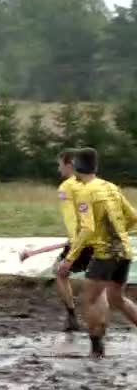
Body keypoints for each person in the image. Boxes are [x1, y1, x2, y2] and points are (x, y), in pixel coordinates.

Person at [56, 147, 137, 358]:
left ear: (77, 167)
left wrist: (70, 258)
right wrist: (118, 233)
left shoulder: (85, 192)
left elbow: (87, 228)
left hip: (105, 253)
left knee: (91, 299)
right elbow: (133, 217)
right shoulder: (111, 187)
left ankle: (96, 349)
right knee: (117, 299)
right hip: (125, 251)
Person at [53, 149, 91, 332]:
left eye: (60, 164)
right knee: (99, 280)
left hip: (81, 238)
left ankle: (71, 316)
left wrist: (74, 242)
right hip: (101, 238)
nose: (58, 169)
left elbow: (71, 218)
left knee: (60, 271)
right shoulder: (93, 182)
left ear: (69, 164)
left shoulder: (66, 187)